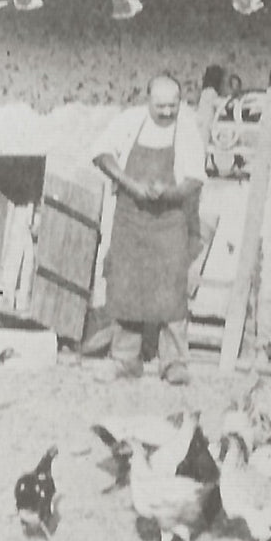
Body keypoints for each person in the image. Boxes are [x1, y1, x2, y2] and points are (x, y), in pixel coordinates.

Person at [91, 75, 207, 385]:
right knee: (126, 285)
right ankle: (125, 360)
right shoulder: (130, 121)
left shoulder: (187, 128)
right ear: (148, 100)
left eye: (173, 105)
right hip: (131, 218)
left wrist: (168, 192)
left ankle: (173, 363)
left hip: (170, 220)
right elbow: (101, 154)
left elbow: (195, 178)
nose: (168, 112)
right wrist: (131, 184)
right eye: (161, 106)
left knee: (171, 288)